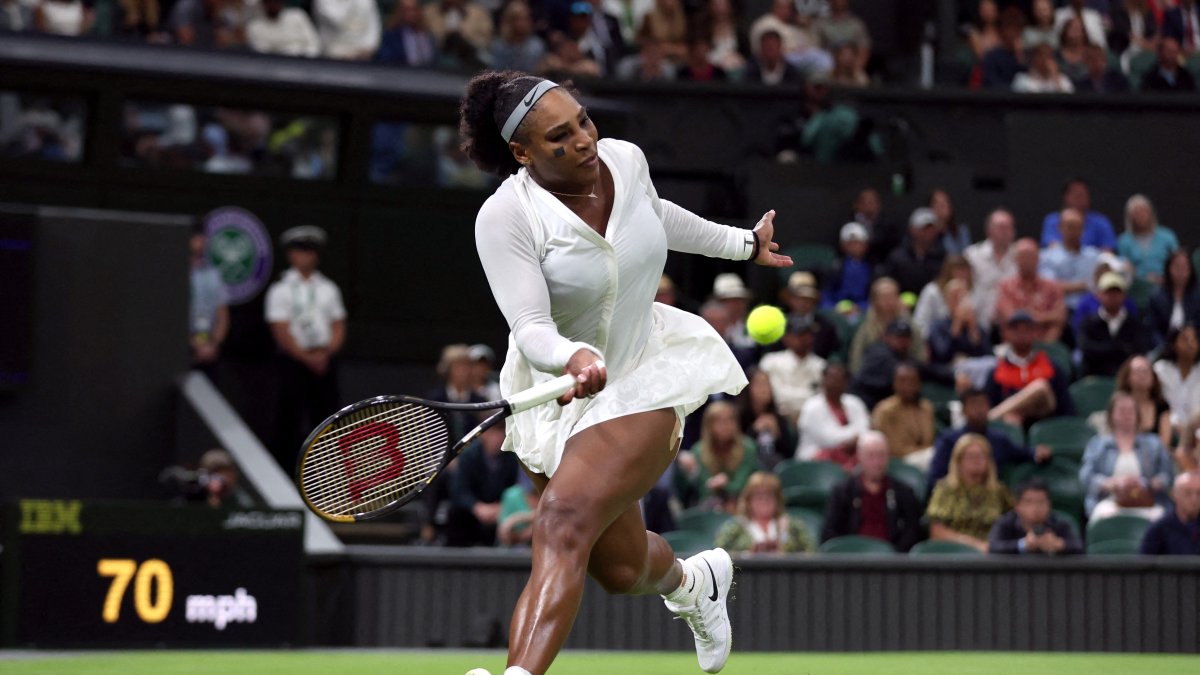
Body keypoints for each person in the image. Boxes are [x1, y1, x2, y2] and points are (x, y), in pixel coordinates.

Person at [461, 71, 792, 675]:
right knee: (619, 569)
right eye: (560, 136)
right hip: (556, 388)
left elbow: (657, 216)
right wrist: (571, 356)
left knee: (560, 521)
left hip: (644, 371)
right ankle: (695, 583)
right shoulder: (505, 217)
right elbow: (531, 325)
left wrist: (744, 245)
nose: (585, 139)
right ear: (523, 153)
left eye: (584, 120)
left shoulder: (625, 160)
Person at [265, 225, 347, 470]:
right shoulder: (280, 290)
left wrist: (326, 352)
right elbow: (280, 329)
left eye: (311, 251)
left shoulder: (328, 288)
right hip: (294, 362)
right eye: (301, 251)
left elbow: (338, 324)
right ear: (291, 255)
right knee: (288, 419)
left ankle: (326, 472)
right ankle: (286, 472)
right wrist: (304, 356)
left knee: (328, 419)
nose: (306, 256)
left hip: (324, 361)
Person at [929, 388, 1051, 495]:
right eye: (974, 405)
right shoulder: (949, 440)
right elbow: (936, 477)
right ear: (963, 410)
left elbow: (1022, 454)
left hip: (990, 499)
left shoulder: (998, 439)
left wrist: (1037, 453)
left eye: (983, 404)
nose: (979, 410)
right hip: (956, 497)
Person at [1079, 392, 1174, 523]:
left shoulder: (1154, 443)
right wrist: (1110, 483)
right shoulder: (1098, 444)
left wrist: (1148, 483)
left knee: (1160, 519)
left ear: (1137, 415)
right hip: (1109, 501)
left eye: (1131, 411)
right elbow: (1086, 477)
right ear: (1111, 414)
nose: (1126, 415)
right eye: (1122, 410)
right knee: (1102, 518)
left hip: (1147, 501)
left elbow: (1167, 475)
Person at [820, 431, 923, 552]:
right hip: (851, 561)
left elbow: (913, 531)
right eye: (870, 456)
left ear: (888, 457)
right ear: (859, 457)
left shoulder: (904, 493)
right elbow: (829, 533)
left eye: (881, 455)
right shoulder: (842, 492)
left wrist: (893, 555)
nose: (876, 462)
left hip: (892, 562)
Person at [926, 433, 1014, 553]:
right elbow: (936, 531)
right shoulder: (945, 489)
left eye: (981, 456)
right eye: (971, 456)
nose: (976, 460)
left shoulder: (999, 491)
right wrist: (972, 544)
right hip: (953, 552)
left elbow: (1015, 521)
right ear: (959, 461)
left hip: (991, 554)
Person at [986, 311, 1075, 426]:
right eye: (1016, 329)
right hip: (1010, 429)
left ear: (1035, 332)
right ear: (1006, 334)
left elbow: (1066, 409)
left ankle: (992, 416)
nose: (1021, 333)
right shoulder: (996, 372)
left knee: (1040, 387)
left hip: (1045, 427)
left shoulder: (1051, 367)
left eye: (1027, 328)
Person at [679, 401, 763, 512]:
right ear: (709, 426)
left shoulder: (748, 447)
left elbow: (741, 485)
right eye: (719, 421)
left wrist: (723, 484)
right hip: (710, 505)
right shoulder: (698, 450)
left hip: (743, 502)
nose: (726, 425)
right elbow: (704, 490)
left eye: (730, 419)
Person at [449, 421, 521, 547]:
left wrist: (501, 506)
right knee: (456, 514)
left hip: (499, 509)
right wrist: (476, 507)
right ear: (483, 435)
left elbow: (515, 487)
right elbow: (459, 490)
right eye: (493, 433)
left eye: (500, 433)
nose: (497, 438)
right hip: (472, 511)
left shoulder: (512, 457)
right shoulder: (468, 456)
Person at [713, 471, 814, 554]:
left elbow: (812, 555)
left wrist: (783, 551)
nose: (764, 501)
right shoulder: (735, 527)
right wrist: (749, 554)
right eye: (759, 496)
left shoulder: (794, 526)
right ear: (748, 500)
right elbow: (718, 558)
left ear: (778, 500)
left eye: (769, 496)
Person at [1077, 272, 1153, 378]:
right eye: (1108, 292)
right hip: (1094, 376)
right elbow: (1086, 349)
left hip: (1127, 379)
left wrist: (1104, 349)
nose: (1112, 297)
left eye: (1116, 292)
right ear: (1099, 295)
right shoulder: (1088, 323)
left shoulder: (1135, 324)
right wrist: (1118, 348)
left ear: (1124, 295)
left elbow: (1139, 350)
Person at [993, 238, 1066, 344]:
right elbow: (1010, 317)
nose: (1026, 261)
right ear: (1015, 260)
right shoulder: (1005, 288)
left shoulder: (1052, 288)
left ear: (1038, 259)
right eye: (1023, 257)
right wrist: (1046, 317)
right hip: (1014, 347)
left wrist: (1027, 317)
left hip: (1046, 345)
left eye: (1030, 257)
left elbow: (1059, 317)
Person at [796, 363, 869, 468]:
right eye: (831, 378)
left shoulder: (855, 402)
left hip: (852, 455)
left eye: (839, 379)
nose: (835, 383)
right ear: (823, 381)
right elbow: (828, 439)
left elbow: (865, 430)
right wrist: (854, 437)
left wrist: (856, 439)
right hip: (816, 457)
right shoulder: (812, 407)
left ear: (846, 382)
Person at [847, 277, 926, 374]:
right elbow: (856, 359)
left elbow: (919, 354)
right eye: (884, 297)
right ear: (875, 300)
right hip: (873, 377)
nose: (889, 301)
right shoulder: (865, 327)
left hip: (903, 376)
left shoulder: (909, 324)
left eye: (892, 296)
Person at [758, 314, 825, 425]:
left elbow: (820, 401)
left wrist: (787, 396)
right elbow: (775, 398)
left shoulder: (821, 366)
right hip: (778, 422)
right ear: (786, 338)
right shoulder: (771, 362)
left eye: (809, 334)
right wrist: (807, 396)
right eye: (800, 334)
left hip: (812, 423)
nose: (805, 338)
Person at [987, 478, 1083, 555]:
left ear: (1049, 504)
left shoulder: (1062, 523)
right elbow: (993, 547)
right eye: (1029, 502)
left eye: (1041, 502)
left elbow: (1081, 547)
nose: (1036, 508)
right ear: (1018, 506)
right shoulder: (1005, 523)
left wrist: (1059, 544)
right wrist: (1023, 544)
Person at [870, 363, 936, 470]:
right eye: (902, 381)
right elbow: (893, 449)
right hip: (898, 461)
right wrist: (924, 451)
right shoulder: (885, 410)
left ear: (919, 384)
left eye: (912, 382)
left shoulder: (926, 407)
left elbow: (929, 439)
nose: (907, 386)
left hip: (926, 456)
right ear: (894, 384)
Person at [964, 208, 1017, 333]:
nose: (1004, 232)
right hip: (978, 322)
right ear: (989, 231)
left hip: (1011, 325)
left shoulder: (1020, 257)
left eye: (1008, 227)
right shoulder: (972, 256)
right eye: (1000, 227)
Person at [1154, 325, 1200, 469]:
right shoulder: (1161, 369)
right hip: (1168, 426)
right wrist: (1177, 424)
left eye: (1194, 340)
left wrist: (1191, 429)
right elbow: (1159, 405)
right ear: (1174, 344)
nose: (1191, 344)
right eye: (1185, 339)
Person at [851, 318, 922, 411]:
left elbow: (923, 368)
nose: (902, 341)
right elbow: (897, 371)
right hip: (865, 405)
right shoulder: (878, 352)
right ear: (886, 337)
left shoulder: (905, 357)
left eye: (906, 337)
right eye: (898, 337)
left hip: (885, 405)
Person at [1038, 207, 1100, 312]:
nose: (1074, 231)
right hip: (1060, 311)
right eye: (1070, 227)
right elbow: (1050, 287)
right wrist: (1085, 285)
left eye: (1078, 227)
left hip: (1090, 312)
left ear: (1083, 229)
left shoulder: (1094, 256)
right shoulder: (1047, 257)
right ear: (1060, 228)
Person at [188, 226, 230, 377]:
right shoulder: (172, 272)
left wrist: (214, 344)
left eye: (203, 237)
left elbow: (223, 315)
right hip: (180, 348)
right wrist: (192, 344)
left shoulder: (213, 274)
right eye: (196, 237)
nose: (201, 242)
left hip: (209, 348)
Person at [879, 207, 947, 296]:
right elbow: (887, 284)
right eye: (924, 228)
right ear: (912, 229)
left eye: (931, 228)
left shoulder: (942, 258)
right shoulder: (897, 258)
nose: (929, 232)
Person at [737, 368, 796, 470]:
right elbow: (737, 450)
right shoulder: (738, 416)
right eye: (759, 384)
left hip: (776, 467)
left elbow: (790, 454)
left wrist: (778, 434)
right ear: (748, 388)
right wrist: (754, 431)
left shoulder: (778, 418)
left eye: (767, 384)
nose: (764, 389)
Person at [1116, 194, 1179, 285]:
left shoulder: (1167, 237)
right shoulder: (1123, 241)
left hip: (1165, 285)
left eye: (1143, 211)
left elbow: (1177, 262)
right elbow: (1122, 268)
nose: (1141, 216)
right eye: (1136, 213)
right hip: (1137, 287)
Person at [1040, 178, 1116, 252]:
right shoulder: (1053, 220)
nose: (1075, 232)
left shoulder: (1101, 221)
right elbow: (1051, 247)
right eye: (1077, 195)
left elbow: (1107, 252)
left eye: (1083, 194)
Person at [779, 271, 841, 360]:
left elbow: (834, 352)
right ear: (790, 300)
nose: (802, 303)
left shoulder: (826, 327)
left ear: (814, 301)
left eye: (807, 299)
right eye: (797, 298)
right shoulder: (780, 325)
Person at [912, 255, 974, 338]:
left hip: (966, 341)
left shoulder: (973, 292)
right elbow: (921, 323)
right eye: (958, 270)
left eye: (965, 270)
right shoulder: (932, 292)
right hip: (936, 339)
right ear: (948, 272)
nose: (963, 275)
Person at [1139, 472, 1200, 555]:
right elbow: (1142, 564)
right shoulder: (1159, 528)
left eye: (1199, 493)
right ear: (1174, 494)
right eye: (1188, 493)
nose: (1194, 499)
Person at [1147, 250, 1200, 346]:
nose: (1181, 272)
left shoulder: (1198, 296)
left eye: (1184, 267)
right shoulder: (1157, 296)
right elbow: (1153, 329)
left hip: (1194, 347)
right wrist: (1164, 346)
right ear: (1169, 268)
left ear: (1191, 269)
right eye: (1177, 267)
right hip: (1164, 347)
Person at [821, 222, 872, 318]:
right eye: (850, 243)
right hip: (837, 313)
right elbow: (826, 296)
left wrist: (861, 307)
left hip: (864, 313)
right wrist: (834, 309)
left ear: (866, 245)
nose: (854, 247)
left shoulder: (874, 268)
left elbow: (874, 297)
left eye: (858, 243)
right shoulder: (834, 268)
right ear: (842, 246)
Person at [246, 0, 321, 57]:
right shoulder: (255, 26)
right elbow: (262, 53)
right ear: (264, 3)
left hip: (302, 65)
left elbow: (313, 45)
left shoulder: (298, 16)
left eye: (277, 1)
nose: (273, 4)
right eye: (270, 1)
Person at [377, 0, 440, 67]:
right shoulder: (390, 37)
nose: (411, 14)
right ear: (400, 12)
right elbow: (386, 61)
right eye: (407, 10)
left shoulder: (428, 36)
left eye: (414, 10)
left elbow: (435, 60)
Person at [314, 0, 382, 60]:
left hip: (362, 53)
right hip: (333, 53)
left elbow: (373, 24)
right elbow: (337, 21)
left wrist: (369, 47)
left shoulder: (366, 2)